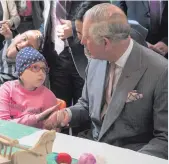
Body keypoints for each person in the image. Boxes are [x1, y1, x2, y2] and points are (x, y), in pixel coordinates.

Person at [44, 3, 168, 159]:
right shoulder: (95, 60)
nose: (81, 42)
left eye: (86, 37)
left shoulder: (161, 71)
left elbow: (165, 138)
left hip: (130, 156)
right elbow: (86, 105)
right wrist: (66, 114)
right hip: (90, 149)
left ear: (106, 42)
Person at [0, 47, 60, 129]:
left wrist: (56, 123)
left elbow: (51, 131)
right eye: (35, 67)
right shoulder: (6, 89)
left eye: (44, 69)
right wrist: (37, 118)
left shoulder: (48, 96)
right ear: (21, 72)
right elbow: (3, 125)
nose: (41, 73)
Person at [74, 1, 147, 49]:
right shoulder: (82, 45)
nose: (82, 41)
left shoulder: (129, 43)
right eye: (79, 32)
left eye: (87, 35)